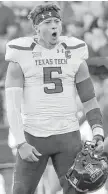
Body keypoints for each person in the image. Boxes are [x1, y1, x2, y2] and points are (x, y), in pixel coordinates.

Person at [5, 2, 104, 194]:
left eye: (57, 21)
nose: (54, 26)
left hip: (68, 135)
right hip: (34, 136)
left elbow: (89, 100)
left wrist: (97, 131)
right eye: (48, 22)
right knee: (20, 191)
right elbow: (13, 106)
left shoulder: (74, 53)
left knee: (76, 190)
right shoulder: (21, 55)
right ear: (37, 27)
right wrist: (20, 142)